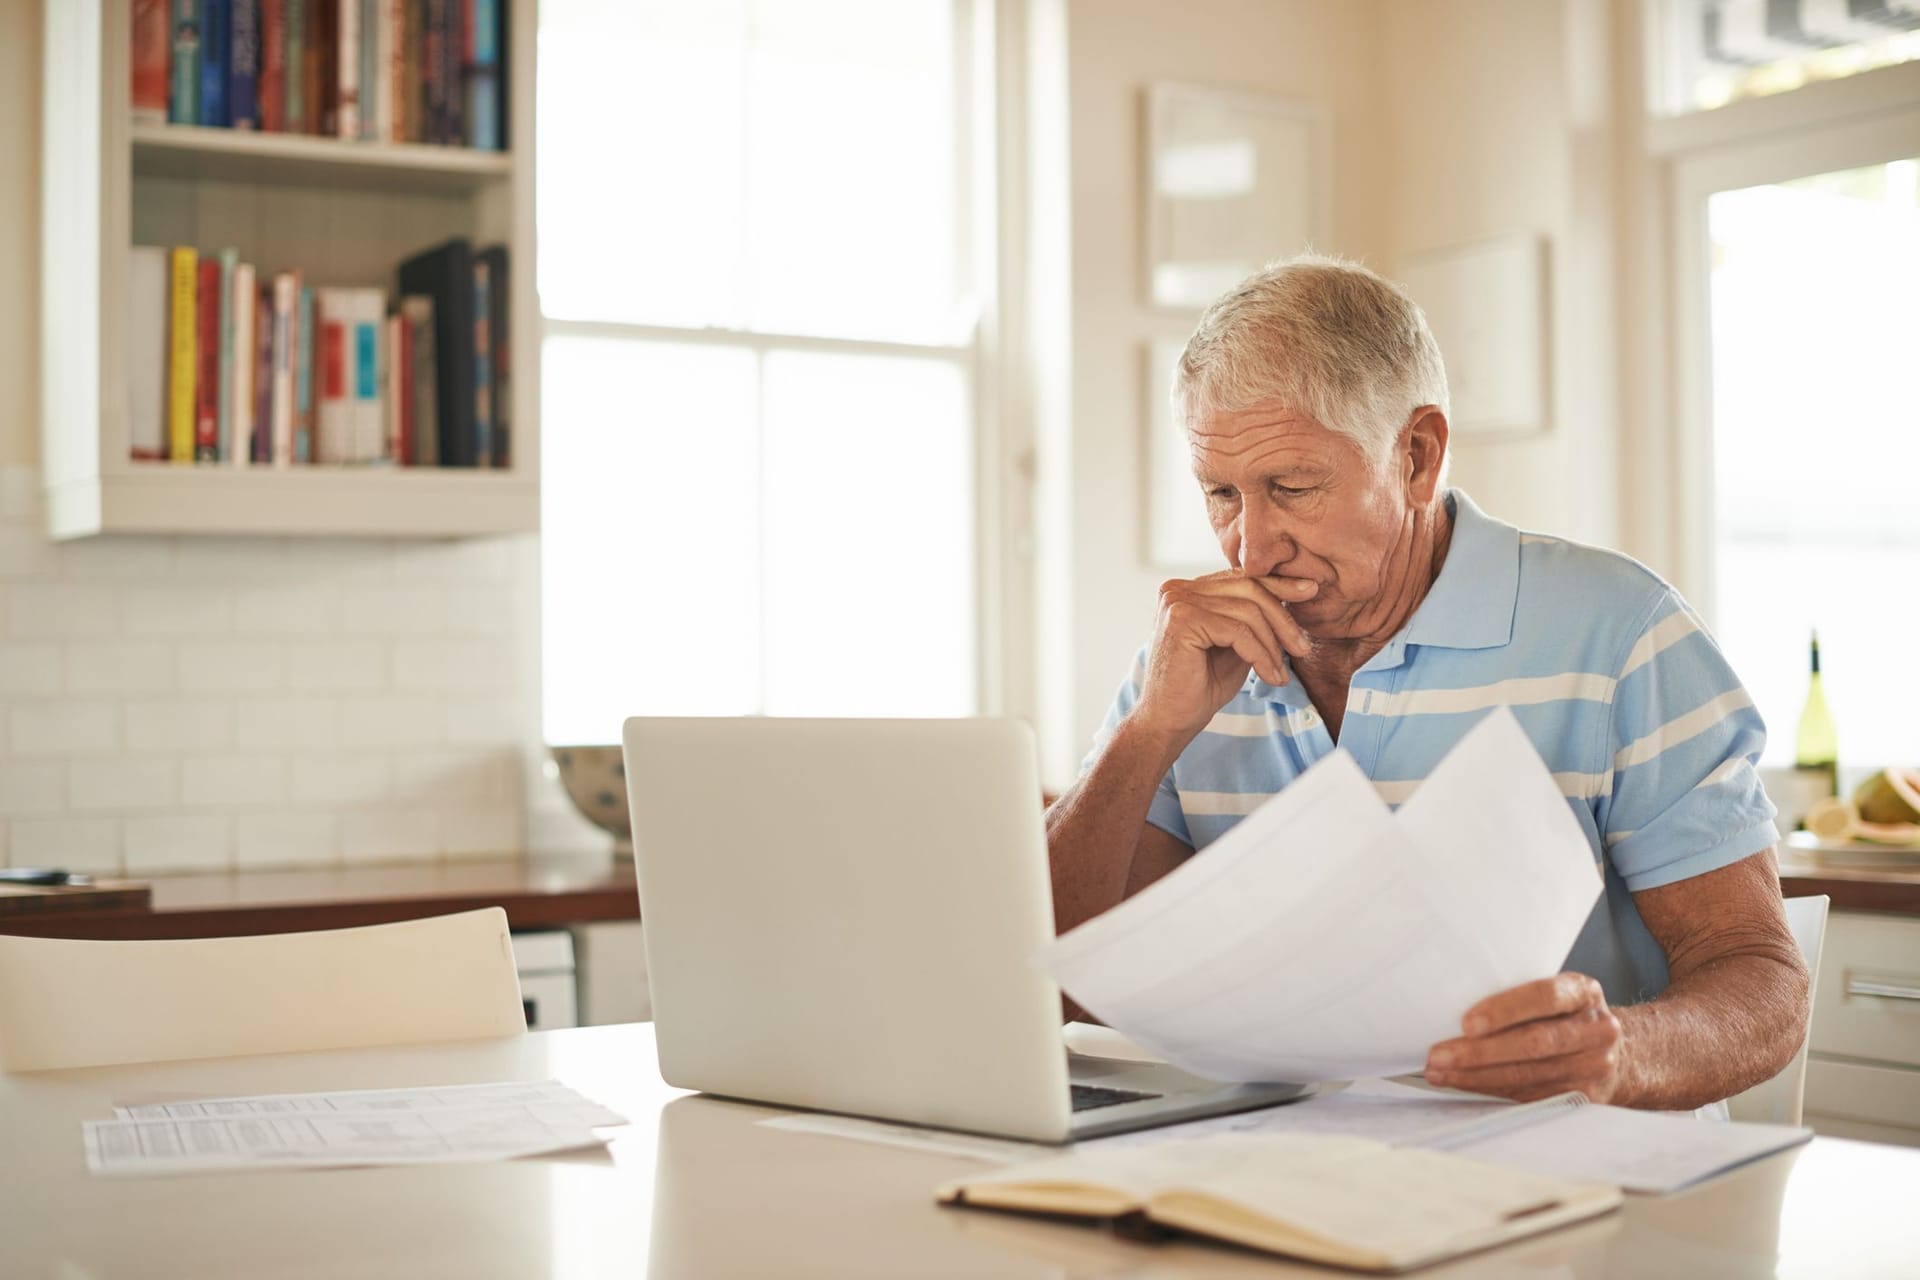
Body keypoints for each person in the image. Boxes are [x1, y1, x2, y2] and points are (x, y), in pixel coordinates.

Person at [1046, 254, 1808, 1110]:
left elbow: (1763, 981)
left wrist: (1617, 1054)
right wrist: (1146, 735)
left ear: (1416, 456)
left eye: (1292, 488)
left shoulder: (1621, 633)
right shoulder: (1188, 659)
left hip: (1572, 1185)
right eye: (1221, 493)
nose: (1248, 548)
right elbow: (1058, 992)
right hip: (1279, 1186)